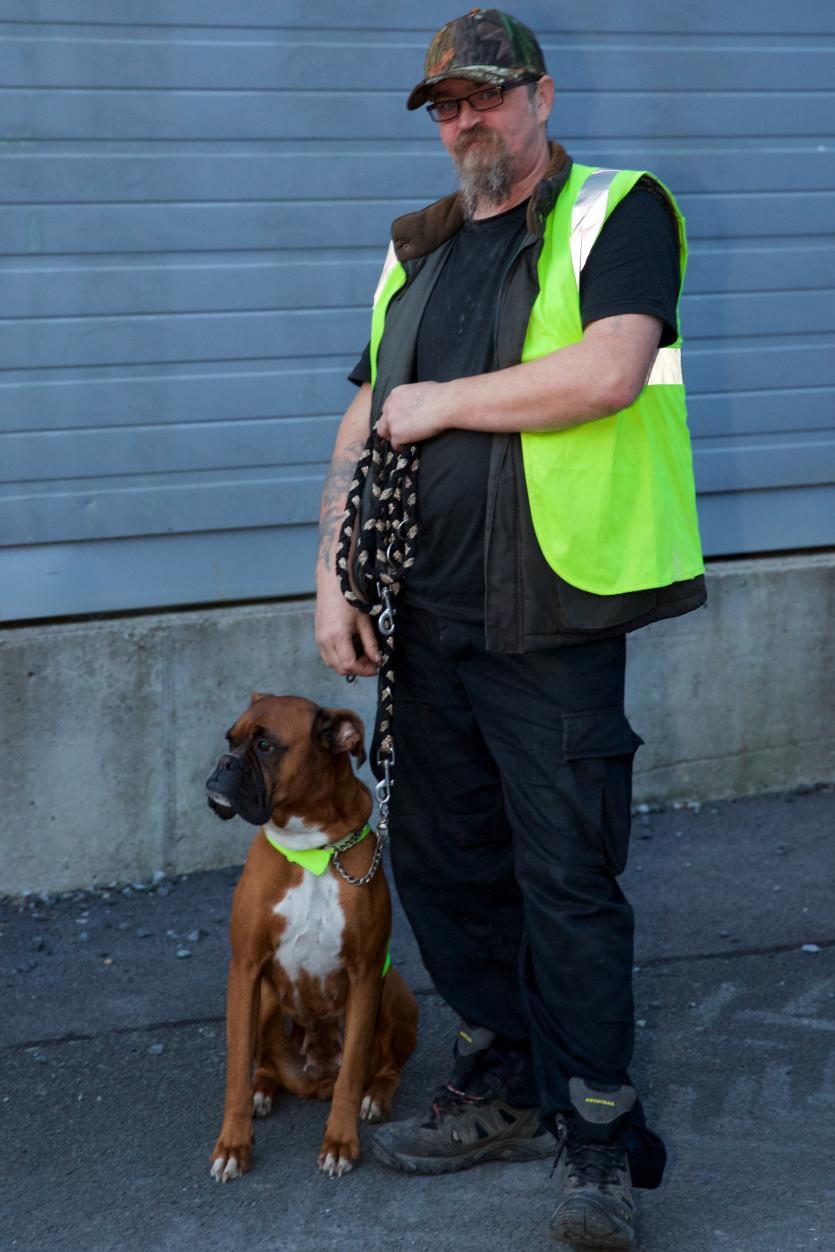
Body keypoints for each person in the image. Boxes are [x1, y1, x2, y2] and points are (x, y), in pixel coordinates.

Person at [315, 9, 705, 1248]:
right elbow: (364, 416)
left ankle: (596, 1136)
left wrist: (439, 403)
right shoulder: (415, 250)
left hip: (552, 613)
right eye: (445, 105)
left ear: (539, 95)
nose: (464, 120)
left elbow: (608, 370)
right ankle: (504, 1078)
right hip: (425, 615)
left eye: (485, 95)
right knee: (446, 865)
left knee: (566, 878)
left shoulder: (615, 211)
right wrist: (332, 578)